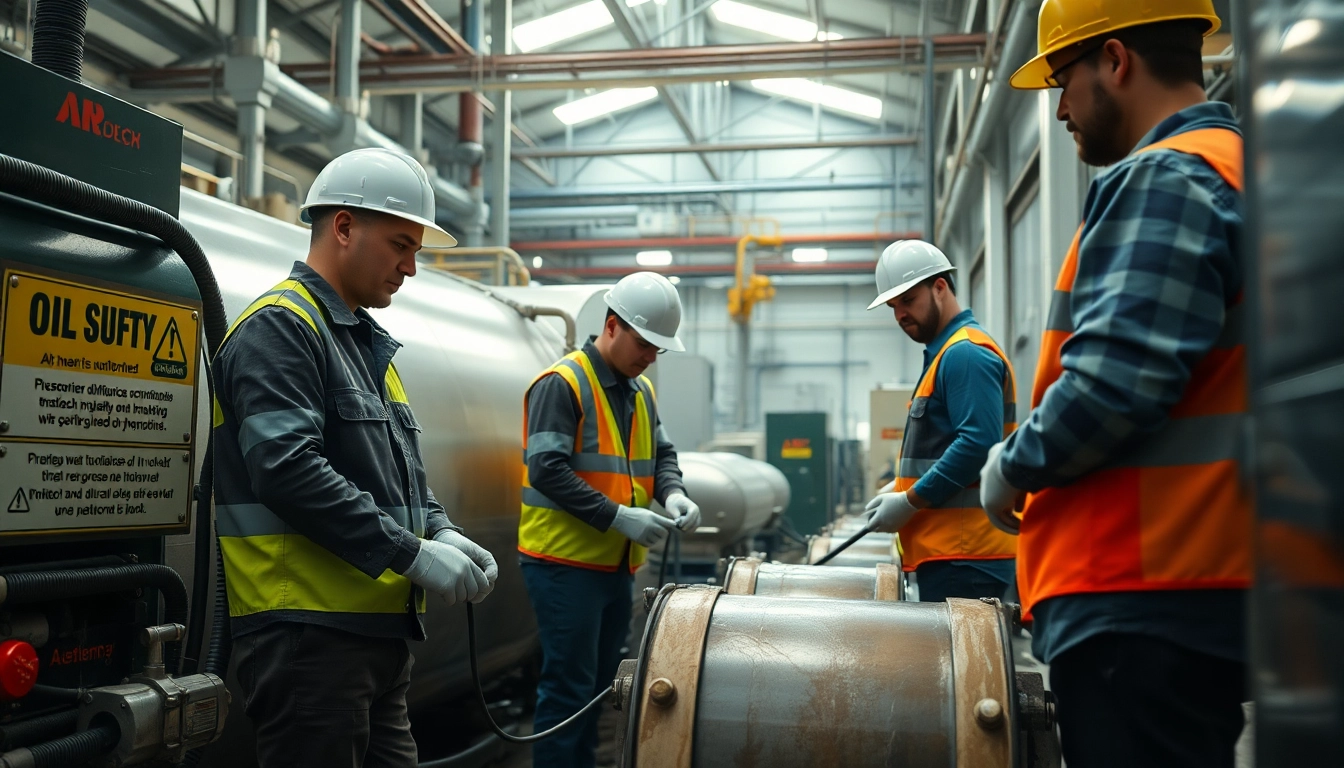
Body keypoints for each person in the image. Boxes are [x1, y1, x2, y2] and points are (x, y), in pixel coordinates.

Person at [979, 2, 1249, 766]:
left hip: (1140, 598)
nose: (1060, 107)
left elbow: (1112, 386)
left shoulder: (1169, 176)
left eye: (1064, 80)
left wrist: (1013, 465)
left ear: (1117, 61)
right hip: (1174, 589)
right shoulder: (1233, 171)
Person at [213, 148, 499, 768]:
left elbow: (400, 470)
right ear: (343, 227)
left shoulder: (363, 346)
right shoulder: (282, 329)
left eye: (416, 251)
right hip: (308, 640)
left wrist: (441, 527)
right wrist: (411, 553)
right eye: (401, 244)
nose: (411, 267)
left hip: (373, 636)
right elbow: (286, 469)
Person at [518, 272, 701, 768]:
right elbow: (546, 469)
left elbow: (662, 454)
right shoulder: (563, 384)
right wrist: (616, 516)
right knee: (569, 689)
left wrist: (675, 493)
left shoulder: (639, 392)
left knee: (600, 689)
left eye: (659, 350)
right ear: (613, 326)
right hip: (564, 564)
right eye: (645, 344)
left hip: (614, 566)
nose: (650, 357)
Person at [861, 240, 1018, 603]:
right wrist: (901, 486)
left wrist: (909, 502)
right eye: (893, 306)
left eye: (908, 300)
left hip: (965, 557)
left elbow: (977, 445)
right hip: (954, 555)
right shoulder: (946, 353)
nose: (900, 314)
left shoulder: (964, 354)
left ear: (940, 287)